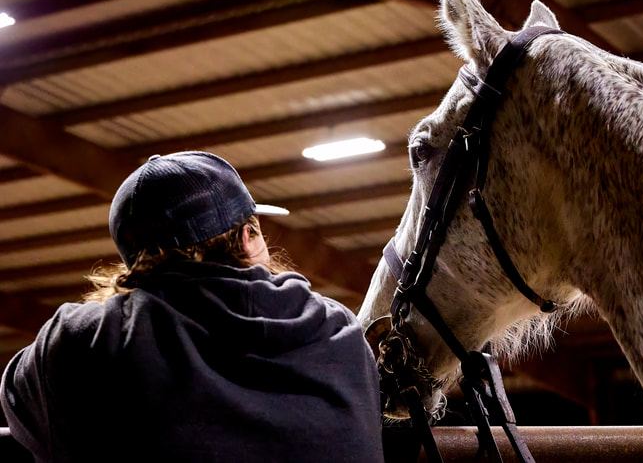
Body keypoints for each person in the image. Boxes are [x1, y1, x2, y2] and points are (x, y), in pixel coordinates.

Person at [0, 151, 384, 462]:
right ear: (249, 237)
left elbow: (19, 397)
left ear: (136, 263)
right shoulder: (339, 332)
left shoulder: (86, 340)